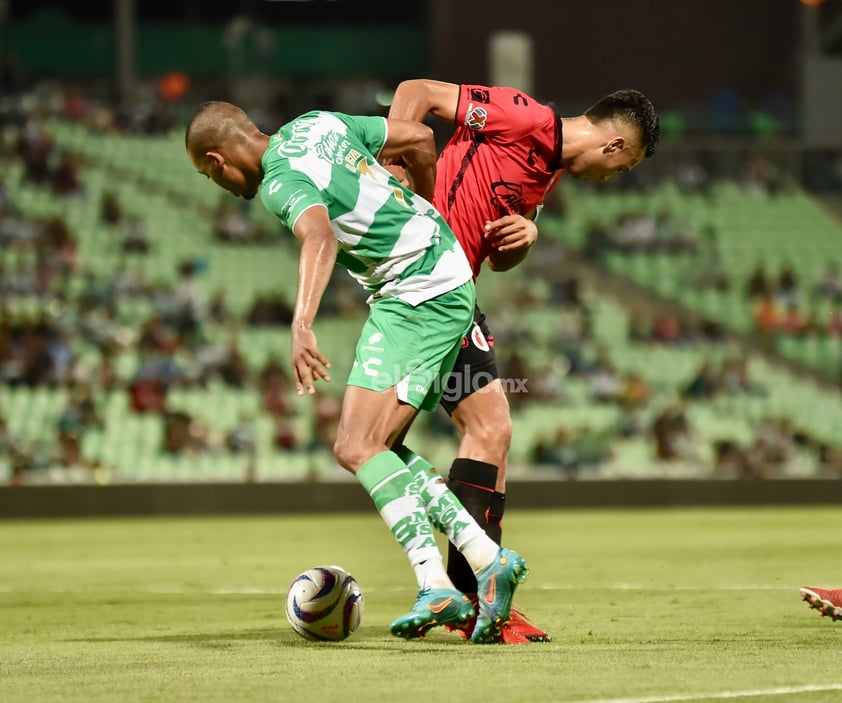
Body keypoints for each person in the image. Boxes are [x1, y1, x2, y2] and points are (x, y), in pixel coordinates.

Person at [185, 101, 528, 643]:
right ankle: (486, 560)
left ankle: (438, 583)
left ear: (218, 157)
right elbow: (417, 138)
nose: (220, 184)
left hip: (415, 291)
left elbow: (319, 238)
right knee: (375, 446)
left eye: (211, 174)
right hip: (435, 272)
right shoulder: (317, 124)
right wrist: (422, 205)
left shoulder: (281, 179)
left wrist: (301, 324)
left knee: (354, 445)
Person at [387, 79, 659, 642]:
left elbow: (500, 255)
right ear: (615, 148)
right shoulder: (519, 115)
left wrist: (526, 236)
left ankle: (470, 598)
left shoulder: (545, 171)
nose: (616, 178)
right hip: (425, 290)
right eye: (625, 168)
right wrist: (394, 173)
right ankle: (471, 594)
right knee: (390, 444)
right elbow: (417, 91)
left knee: (482, 432)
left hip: (454, 293)